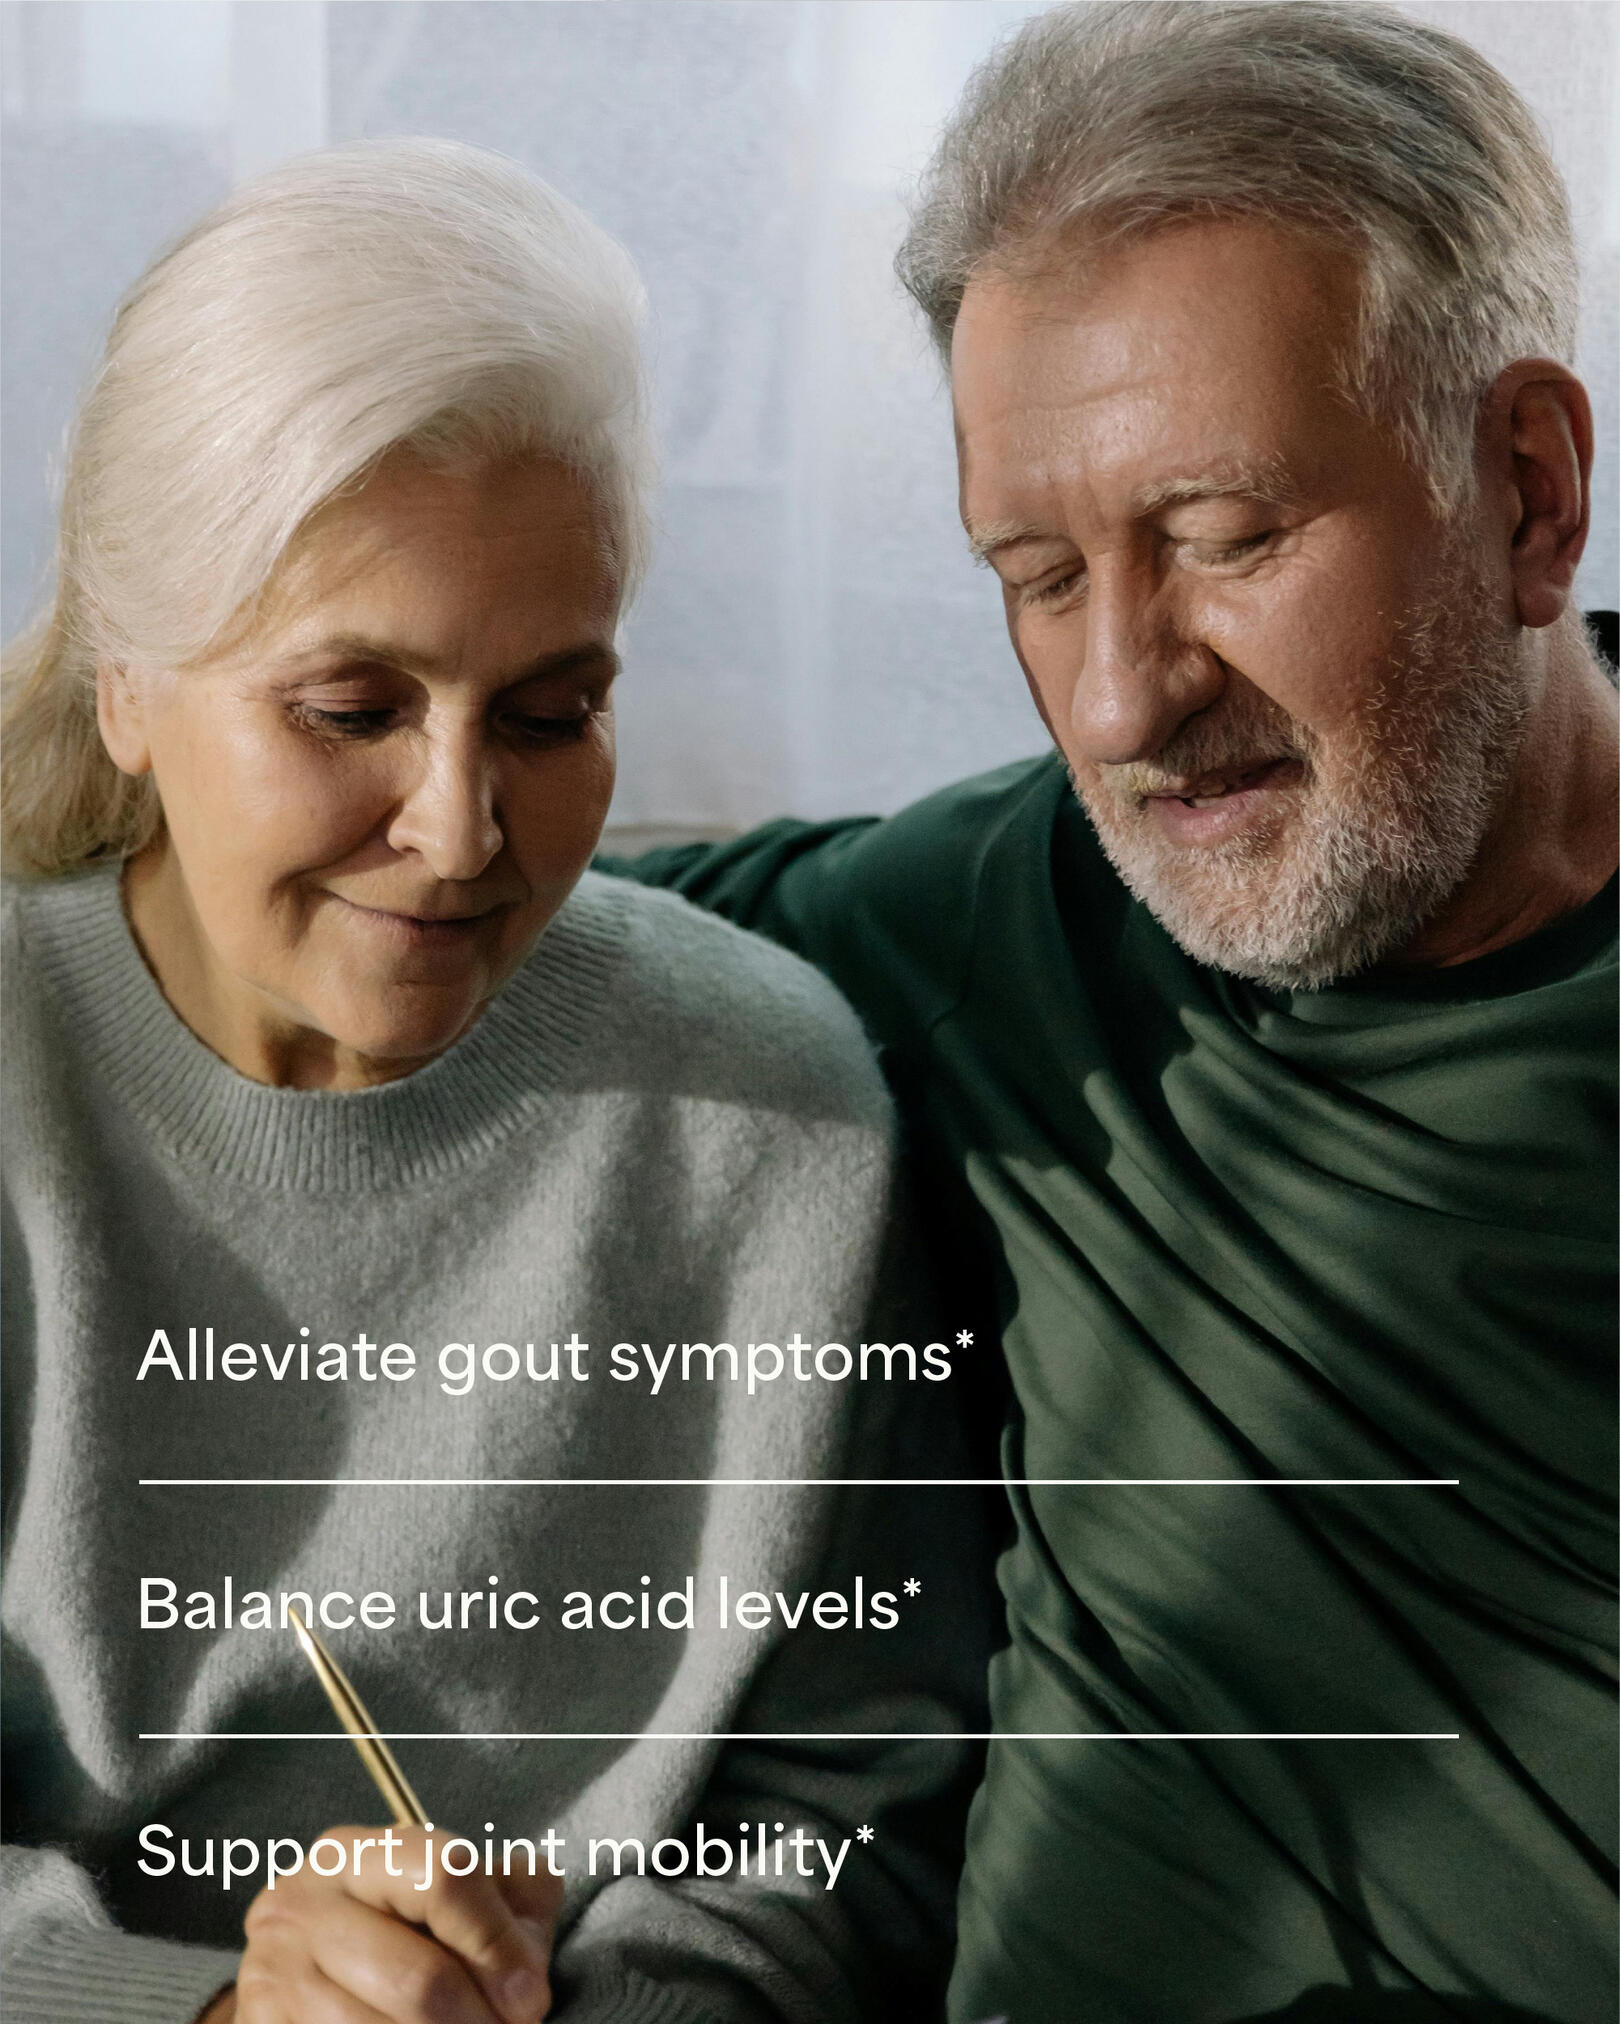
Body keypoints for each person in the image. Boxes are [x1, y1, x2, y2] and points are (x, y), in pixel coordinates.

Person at [607, 5, 1619, 2021]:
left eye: (1224, 538)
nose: (1118, 701)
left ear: (1525, 488)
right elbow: (395, 890)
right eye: (1037, 573)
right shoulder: (995, 920)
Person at [0, 139, 989, 2024]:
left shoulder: (773, 1105)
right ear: (129, 682)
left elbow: (856, 1781)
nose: (460, 832)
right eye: (351, 710)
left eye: (553, 714)